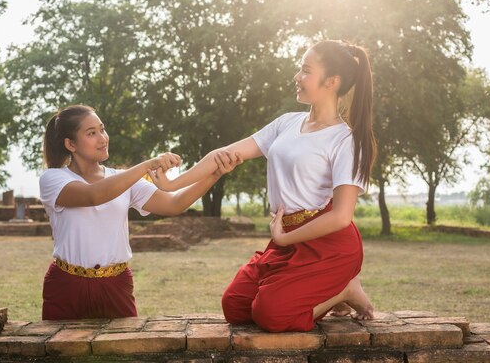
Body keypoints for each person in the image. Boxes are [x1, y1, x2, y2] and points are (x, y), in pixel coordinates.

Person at [148, 40, 376, 332]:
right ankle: (330, 292)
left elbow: (342, 216)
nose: (297, 76)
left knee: (272, 315)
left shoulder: (345, 140)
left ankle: (344, 290)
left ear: (331, 82)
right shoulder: (286, 124)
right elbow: (226, 154)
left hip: (327, 245)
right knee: (236, 306)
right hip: (286, 237)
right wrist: (172, 184)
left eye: (306, 70)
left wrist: (282, 239)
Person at [39, 104, 241, 320]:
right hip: (66, 285)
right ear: (70, 144)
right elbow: (92, 195)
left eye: (102, 129)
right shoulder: (53, 178)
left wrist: (214, 174)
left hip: (116, 285)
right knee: (58, 351)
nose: (103, 138)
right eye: (91, 133)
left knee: (125, 351)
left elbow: (175, 204)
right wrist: (147, 165)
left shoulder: (124, 179)